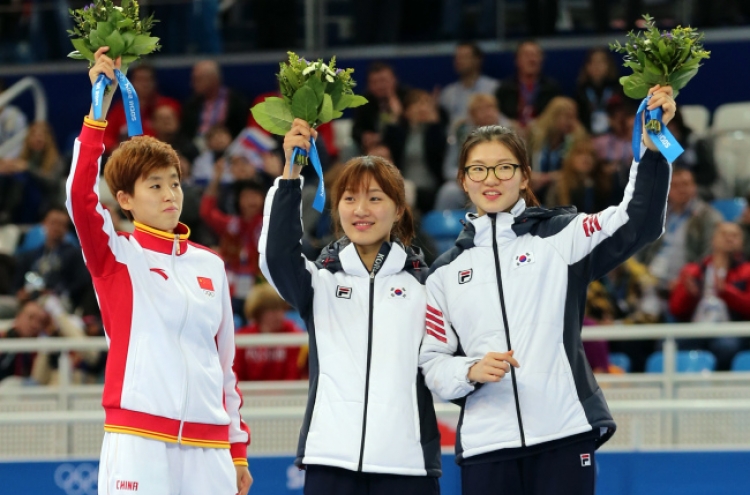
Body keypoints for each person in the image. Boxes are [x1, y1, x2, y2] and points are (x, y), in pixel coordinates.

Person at [419, 85, 676, 494]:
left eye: (504, 168)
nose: (492, 179)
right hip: (489, 444)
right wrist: (468, 370)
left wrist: (652, 147)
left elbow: (637, 221)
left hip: (564, 433)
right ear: (463, 181)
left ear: (524, 177)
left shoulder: (561, 237)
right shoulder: (443, 273)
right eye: (478, 170)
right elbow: (432, 362)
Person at [65, 48, 251, 495]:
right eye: (154, 186)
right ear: (125, 199)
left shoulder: (210, 264)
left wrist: (236, 448)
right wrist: (98, 112)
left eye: (174, 182)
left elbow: (224, 365)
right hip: (139, 439)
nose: (170, 194)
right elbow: (79, 196)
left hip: (209, 447)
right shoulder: (117, 256)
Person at [259, 118, 441, 494]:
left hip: (407, 465)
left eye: (375, 198)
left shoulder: (428, 286)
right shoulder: (320, 284)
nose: (362, 209)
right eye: (350, 198)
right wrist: (292, 172)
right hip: (331, 462)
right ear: (336, 207)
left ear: (399, 209)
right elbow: (276, 254)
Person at [669, 222, 750, 370]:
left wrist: (726, 292)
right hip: (696, 327)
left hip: (732, 330)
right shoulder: (693, 270)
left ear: (742, 242)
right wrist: (689, 295)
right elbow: (676, 309)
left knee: (726, 347)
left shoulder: (747, 271)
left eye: (735, 236)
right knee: (666, 343)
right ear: (713, 239)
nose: (729, 239)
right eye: (724, 234)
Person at [638, 167, 723, 298]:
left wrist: (686, 279)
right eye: (675, 185)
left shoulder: (708, 217)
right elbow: (639, 247)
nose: (681, 189)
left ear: (694, 187)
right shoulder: (658, 214)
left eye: (686, 184)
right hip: (650, 279)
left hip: (684, 282)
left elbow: (709, 256)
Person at [382, 89, 448, 214]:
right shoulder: (401, 134)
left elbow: (439, 152)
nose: (421, 108)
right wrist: (395, 116)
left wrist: (434, 123)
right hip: (405, 187)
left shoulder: (436, 132)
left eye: (425, 104)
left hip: (432, 189)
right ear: (406, 111)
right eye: (416, 104)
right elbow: (388, 147)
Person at [233, 283, 307, 381]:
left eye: (281, 309)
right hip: (250, 395)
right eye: (272, 310)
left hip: (287, 395)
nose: (279, 315)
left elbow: (293, 375)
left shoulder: (294, 336)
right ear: (258, 312)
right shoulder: (243, 338)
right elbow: (237, 375)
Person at [103, 64, 182, 155]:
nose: (144, 85)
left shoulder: (168, 106)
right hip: (129, 159)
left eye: (147, 80)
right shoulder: (120, 109)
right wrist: (119, 151)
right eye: (140, 80)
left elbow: (178, 135)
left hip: (160, 156)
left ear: (155, 82)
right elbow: (106, 137)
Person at [495, 41, 561, 130]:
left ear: (542, 59)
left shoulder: (552, 88)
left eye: (535, 55)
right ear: (517, 60)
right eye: (527, 55)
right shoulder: (505, 88)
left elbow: (557, 116)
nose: (532, 60)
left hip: (543, 135)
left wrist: (539, 123)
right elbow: (497, 115)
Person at [181, 60, 249, 143]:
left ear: (213, 79)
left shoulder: (237, 101)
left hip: (227, 147)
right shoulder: (191, 104)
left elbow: (242, 131)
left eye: (197, 80)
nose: (192, 84)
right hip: (196, 149)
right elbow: (186, 134)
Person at [545, 138, 617, 213]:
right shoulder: (559, 186)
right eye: (580, 153)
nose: (586, 158)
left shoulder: (603, 185)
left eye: (590, 154)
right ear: (571, 158)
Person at [439, 42, 499, 129]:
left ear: (477, 60)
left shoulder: (494, 88)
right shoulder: (447, 93)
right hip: (456, 140)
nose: (459, 61)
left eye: (464, 57)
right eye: (457, 57)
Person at [352, 62, 410, 152]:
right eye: (374, 82)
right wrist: (364, 136)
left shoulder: (407, 97)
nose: (380, 86)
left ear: (394, 80)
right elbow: (356, 131)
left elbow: (410, 128)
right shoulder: (364, 101)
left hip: (403, 145)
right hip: (374, 148)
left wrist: (398, 112)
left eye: (383, 81)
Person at [574, 48, 623, 136]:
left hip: (614, 137)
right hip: (587, 137)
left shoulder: (618, 89)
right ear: (587, 66)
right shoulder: (580, 92)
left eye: (601, 62)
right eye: (593, 62)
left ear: (609, 65)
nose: (597, 66)